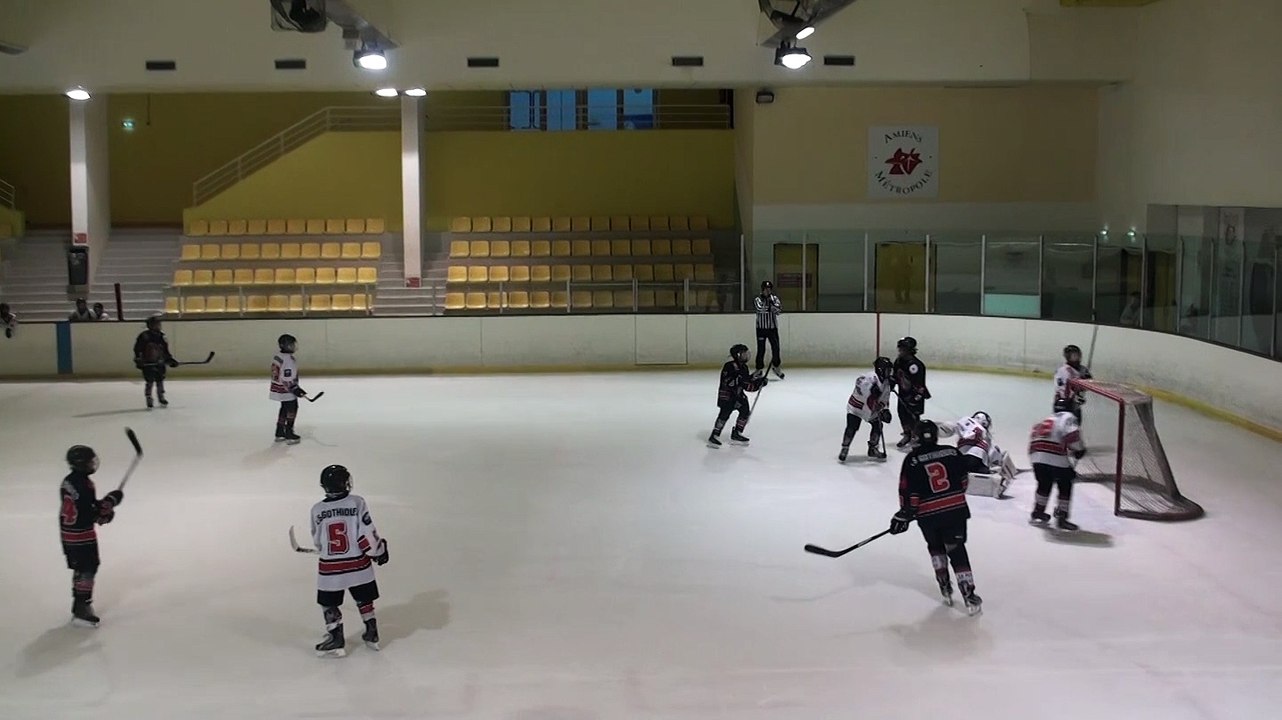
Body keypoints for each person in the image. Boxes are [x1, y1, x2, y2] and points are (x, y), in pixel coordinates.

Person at [889, 420, 981, 615]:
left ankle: (944, 584)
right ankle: (968, 591)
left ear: (916, 437)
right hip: (956, 511)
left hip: (928, 516)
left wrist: (905, 513)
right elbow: (964, 481)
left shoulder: (912, 460)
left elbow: (908, 491)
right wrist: (954, 497)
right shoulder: (952, 452)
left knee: (935, 547)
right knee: (956, 549)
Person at [310, 465, 389, 657]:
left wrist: (325, 549)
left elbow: (317, 540)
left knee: (329, 603)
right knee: (364, 598)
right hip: (358, 564)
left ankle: (335, 638)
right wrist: (378, 550)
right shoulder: (356, 502)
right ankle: (371, 632)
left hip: (330, 568)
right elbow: (366, 534)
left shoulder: (317, 509)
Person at [60, 445, 124, 627]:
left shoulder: (69, 481)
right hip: (81, 535)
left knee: (82, 568)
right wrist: (108, 504)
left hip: (68, 533)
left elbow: (85, 506)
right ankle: (82, 607)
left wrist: (105, 506)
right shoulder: (84, 485)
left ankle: (79, 603)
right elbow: (88, 512)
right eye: (89, 461)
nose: (92, 464)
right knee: (88, 567)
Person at [1029, 398, 1087, 532]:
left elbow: (1033, 440)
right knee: (1065, 484)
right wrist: (1079, 449)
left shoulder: (1046, 419)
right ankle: (1062, 517)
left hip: (1036, 458)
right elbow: (1072, 434)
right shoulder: (1068, 417)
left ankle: (1038, 512)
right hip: (1055, 458)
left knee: (1044, 484)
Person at [937, 411, 1017, 497]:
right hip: (977, 460)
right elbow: (993, 453)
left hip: (964, 459)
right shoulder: (986, 438)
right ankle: (992, 478)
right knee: (979, 469)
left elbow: (953, 427)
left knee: (957, 466)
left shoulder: (969, 427)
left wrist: (945, 427)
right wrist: (996, 464)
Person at [707, 343, 767, 447]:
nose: (746, 356)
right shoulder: (729, 366)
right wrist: (754, 384)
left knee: (745, 411)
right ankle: (715, 435)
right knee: (724, 414)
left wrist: (758, 380)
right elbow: (733, 382)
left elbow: (746, 381)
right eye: (744, 354)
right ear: (738, 355)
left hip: (738, 395)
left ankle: (737, 433)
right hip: (727, 396)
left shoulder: (744, 367)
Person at [839, 356, 893, 462]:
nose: (890, 372)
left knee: (878, 425)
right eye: (888, 369)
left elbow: (885, 397)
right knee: (852, 427)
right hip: (857, 407)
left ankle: (873, 448)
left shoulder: (886, 383)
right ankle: (845, 448)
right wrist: (870, 389)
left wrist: (885, 409)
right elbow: (860, 385)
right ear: (881, 370)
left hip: (871, 410)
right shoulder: (868, 377)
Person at [893, 336, 931, 449]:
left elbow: (920, 383)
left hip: (915, 395)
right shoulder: (898, 362)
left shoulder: (916, 365)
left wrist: (917, 397)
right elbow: (895, 376)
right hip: (902, 394)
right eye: (900, 348)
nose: (900, 351)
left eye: (903, 349)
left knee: (913, 417)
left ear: (909, 350)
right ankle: (907, 434)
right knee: (902, 414)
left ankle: (916, 436)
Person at [133, 315, 178, 408]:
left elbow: (165, 350)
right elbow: (137, 349)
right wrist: (138, 359)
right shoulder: (144, 336)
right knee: (149, 381)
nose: (159, 326)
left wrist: (169, 359)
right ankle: (149, 397)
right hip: (148, 362)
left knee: (160, 380)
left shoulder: (161, 336)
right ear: (150, 325)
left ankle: (161, 397)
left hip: (160, 362)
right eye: (156, 324)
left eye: (159, 324)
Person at [271, 333, 306, 444]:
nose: (294, 346)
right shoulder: (289, 360)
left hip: (279, 389)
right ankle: (289, 433)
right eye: (292, 344)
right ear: (286, 346)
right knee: (292, 409)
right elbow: (287, 378)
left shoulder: (278, 356)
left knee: (284, 409)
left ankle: (280, 432)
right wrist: (295, 389)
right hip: (287, 390)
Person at [1053, 344, 1092, 423]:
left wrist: (1087, 380)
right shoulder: (1063, 370)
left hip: (1075, 405)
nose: (1077, 357)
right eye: (1074, 355)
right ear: (1068, 357)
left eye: (1077, 355)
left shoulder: (1083, 369)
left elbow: (1090, 384)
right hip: (1063, 403)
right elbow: (1064, 388)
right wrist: (1078, 390)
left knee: (1076, 425)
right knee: (1063, 425)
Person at [753, 280, 784, 379]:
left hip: (772, 328)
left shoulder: (774, 298)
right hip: (761, 328)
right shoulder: (758, 299)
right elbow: (759, 309)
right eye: (766, 289)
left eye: (769, 289)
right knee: (761, 349)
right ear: (762, 290)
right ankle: (759, 369)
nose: (768, 291)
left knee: (776, 348)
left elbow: (779, 310)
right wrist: (771, 308)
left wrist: (772, 306)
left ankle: (776, 366)